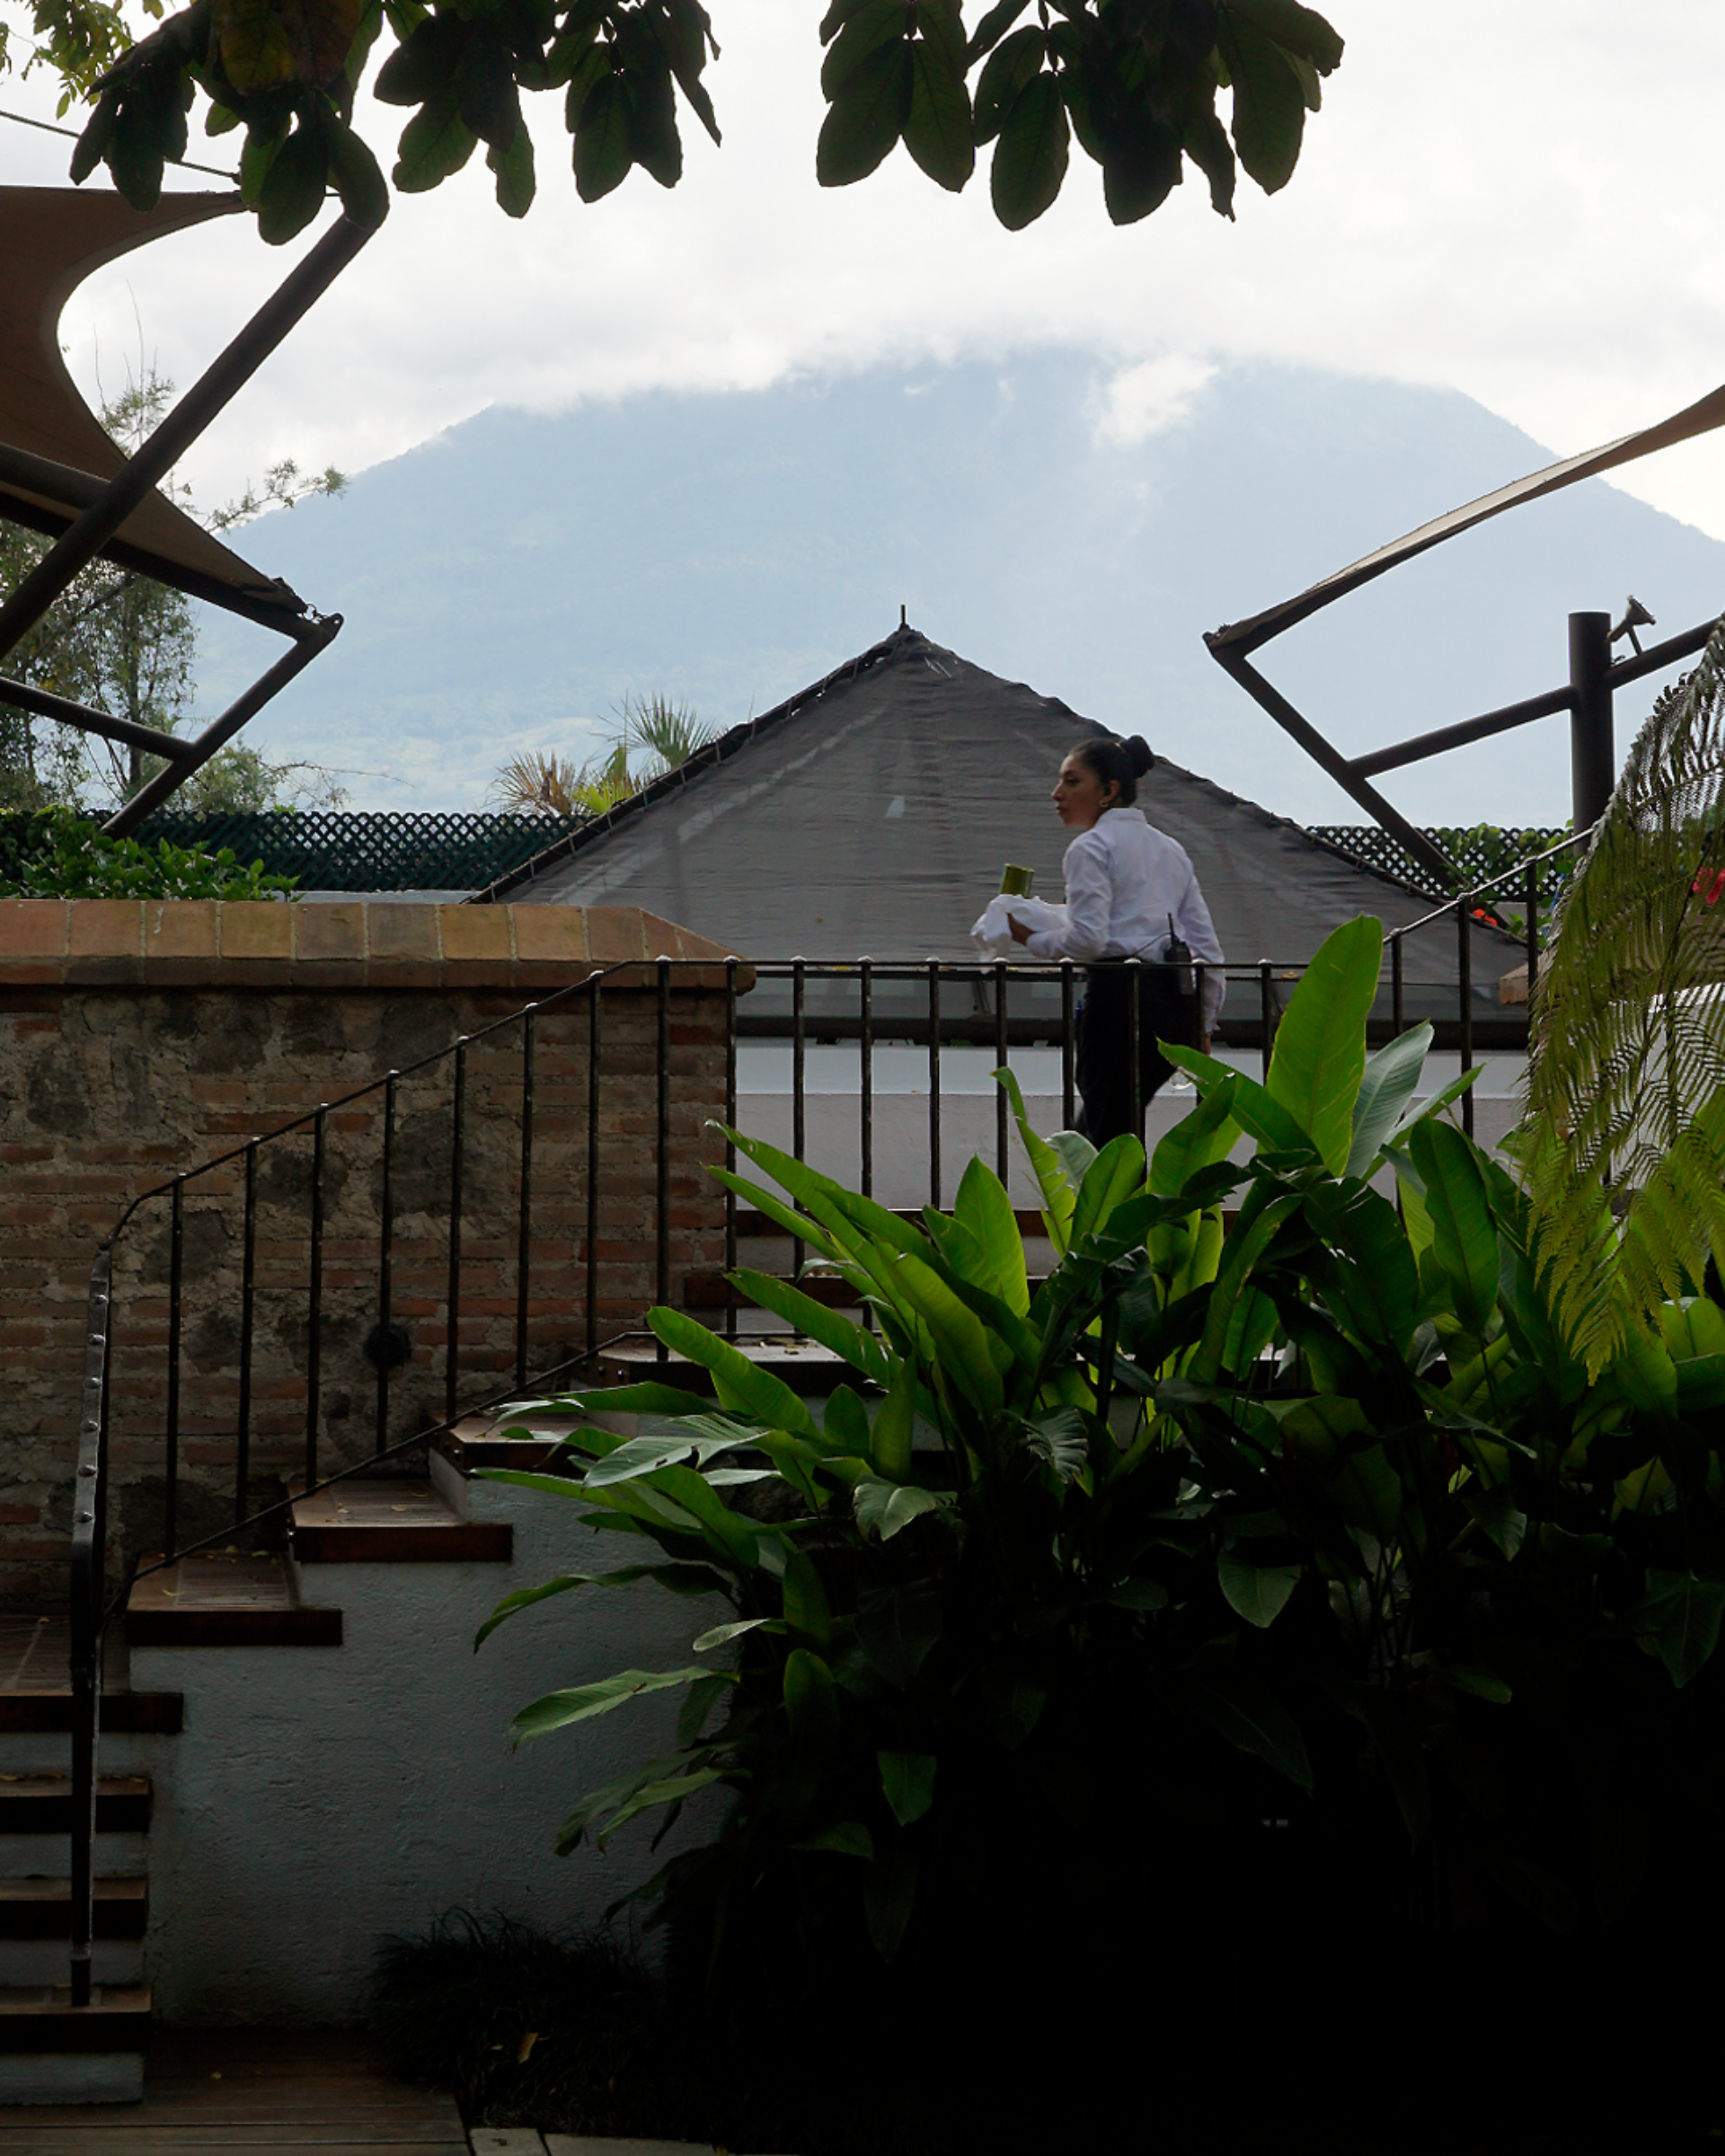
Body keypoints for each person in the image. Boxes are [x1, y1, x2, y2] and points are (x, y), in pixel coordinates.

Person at [1008, 734, 1225, 1144]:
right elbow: (1207, 947)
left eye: (1072, 782)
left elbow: (1089, 940)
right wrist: (1204, 1024)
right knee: (1102, 1127)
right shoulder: (1171, 850)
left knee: (1110, 1137)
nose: (1057, 794)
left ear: (1108, 791)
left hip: (1116, 1000)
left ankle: (1121, 1207)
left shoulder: (1090, 847)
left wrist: (1031, 938)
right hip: (1172, 1007)